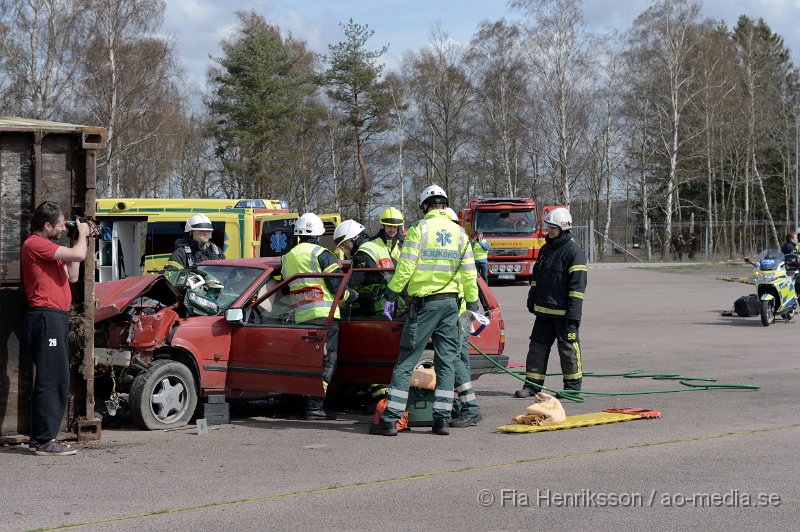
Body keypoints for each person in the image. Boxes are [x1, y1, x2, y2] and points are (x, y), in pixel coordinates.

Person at [370, 186, 478, 436]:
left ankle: (391, 420)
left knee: (407, 360)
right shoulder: (460, 233)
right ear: (444, 205)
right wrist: (471, 304)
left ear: (425, 206)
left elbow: (406, 267)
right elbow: (470, 275)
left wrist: (392, 292)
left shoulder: (419, 229)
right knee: (446, 362)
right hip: (451, 305)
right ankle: (441, 420)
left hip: (425, 305)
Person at [21, 201, 90, 456]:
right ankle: (44, 440)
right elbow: (80, 255)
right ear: (46, 225)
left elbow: (73, 275)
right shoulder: (35, 244)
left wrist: (76, 239)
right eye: (60, 225)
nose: (63, 229)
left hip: (55, 317)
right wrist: (82, 236)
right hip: (46, 316)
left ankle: (40, 437)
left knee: (53, 377)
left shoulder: (50, 249)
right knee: (53, 379)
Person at [282, 213, 359, 420]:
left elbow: (283, 288)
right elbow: (338, 289)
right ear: (318, 235)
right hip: (325, 318)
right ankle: (314, 407)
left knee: (309, 363)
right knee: (326, 363)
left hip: (301, 318)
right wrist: (354, 295)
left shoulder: (287, 257)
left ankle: (308, 404)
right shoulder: (322, 254)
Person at [515, 206, 587, 399]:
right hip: (544, 313)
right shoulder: (545, 249)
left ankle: (572, 388)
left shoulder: (574, 253)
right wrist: (532, 299)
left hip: (564, 315)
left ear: (563, 228)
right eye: (548, 227)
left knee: (568, 351)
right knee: (536, 350)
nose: (549, 231)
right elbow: (536, 278)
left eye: (552, 228)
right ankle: (532, 386)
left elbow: (577, 289)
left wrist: (573, 315)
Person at [444, 207, 483, 428]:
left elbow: (468, 280)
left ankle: (470, 408)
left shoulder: (453, 247)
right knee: (460, 361)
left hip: (454, 315)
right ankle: (461, 406)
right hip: (460, 314)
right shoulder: (460, 245)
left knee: (455, 361)